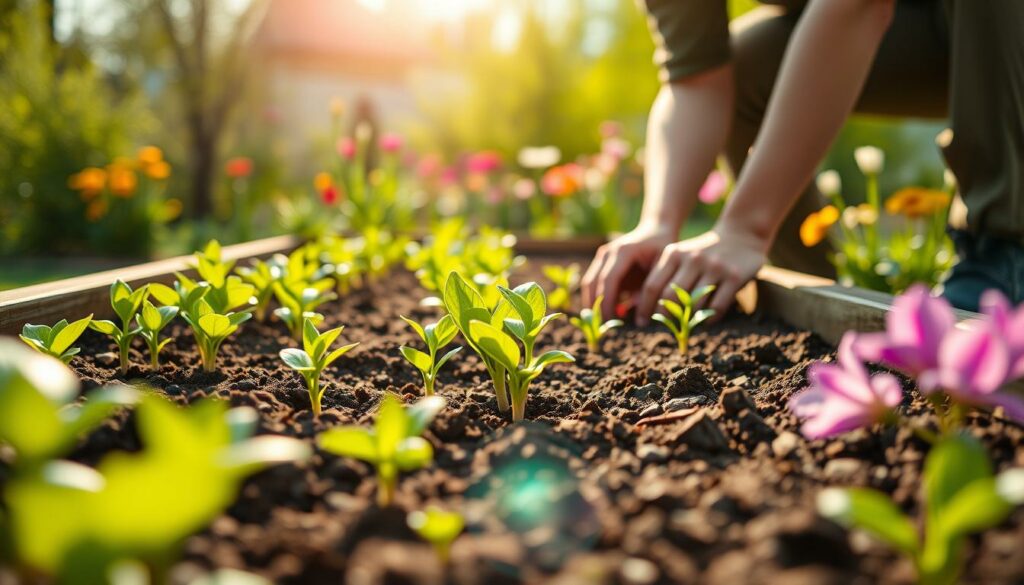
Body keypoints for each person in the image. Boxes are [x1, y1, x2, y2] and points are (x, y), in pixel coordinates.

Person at [581, 0, 1024, 319]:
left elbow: (857, 8)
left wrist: (744, 226)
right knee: (749, 65)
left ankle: (1005, 250)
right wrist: (659, 223)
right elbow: (694, 77)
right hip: (938, 32)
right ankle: (817, 298)